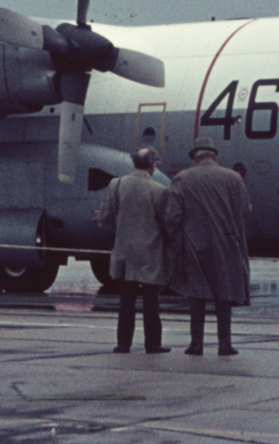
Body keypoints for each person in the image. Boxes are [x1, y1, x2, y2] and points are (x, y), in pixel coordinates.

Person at [166, 137, 251, 356]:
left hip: (195, 243)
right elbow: (244, 209)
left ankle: (196, 344)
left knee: (197, 293)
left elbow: (173, 216)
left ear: (195, 156)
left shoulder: (182, 178)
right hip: (227, 242)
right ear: (213, 155)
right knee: (225, 292)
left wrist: (173, 238)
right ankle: (225, 344)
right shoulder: (233, 177)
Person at [95, 147, 171, 353]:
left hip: (125, 255)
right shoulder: (160, 190)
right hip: (151, 255)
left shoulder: (116, 184)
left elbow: (105, 219)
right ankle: (153, 343)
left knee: (126, 303)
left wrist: (102, 218)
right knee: (151, 304)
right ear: (152, 165)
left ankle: (123, 343)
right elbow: (167, 224)